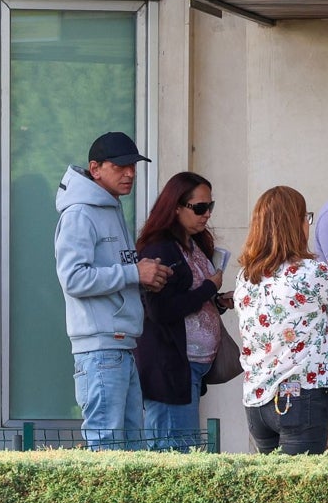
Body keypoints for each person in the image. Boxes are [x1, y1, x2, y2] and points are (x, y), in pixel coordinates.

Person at [54, 131, 172, 449]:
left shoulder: (109, 207)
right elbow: (73, 279)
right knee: (107, 449)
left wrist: (145, 277)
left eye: (133, 165)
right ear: (96, 169)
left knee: (131, 452)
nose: (130, 173)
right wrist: (135, 272)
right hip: (100, 349)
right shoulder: (80, 213)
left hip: (118, 347)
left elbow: (112, 272)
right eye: (120, 166)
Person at [235, 186, 328, 455]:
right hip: (304, 394)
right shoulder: (314, 272)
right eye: (306, 217)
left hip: (256, 398)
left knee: (270, 491)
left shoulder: (245, 277)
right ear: (296, 223)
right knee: (301, 490)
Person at [133, 172, 233, 450]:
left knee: (183, 450)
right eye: (200, 208)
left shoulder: (192, 243)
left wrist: (218, 301)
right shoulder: (160, 249)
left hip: (191, 368)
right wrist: (208, 290)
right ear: (176, 207)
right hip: (170, 368)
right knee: (173, 455)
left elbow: (189, 301)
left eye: (210, 207)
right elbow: (161, 310)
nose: (206, 215)